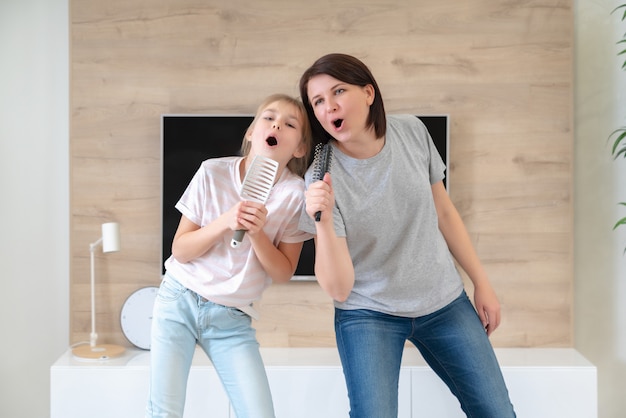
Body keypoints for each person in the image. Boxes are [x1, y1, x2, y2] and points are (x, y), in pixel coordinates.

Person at [298, 53, 516, 418]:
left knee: (496, 412)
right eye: (318, 101)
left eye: (338, 91)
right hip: (368, 312)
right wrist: (321, 220)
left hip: (443, 301)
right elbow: (338, 289)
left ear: (369, 93)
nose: (328, 106)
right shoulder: (321, 177)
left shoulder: (412, 131)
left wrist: (482, 283)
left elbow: (444, 211)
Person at [146, 93, 313, 418]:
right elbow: (180, 250)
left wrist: (257, 233)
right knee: (164, 412)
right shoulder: (212, 172)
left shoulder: (295, 196)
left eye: (290, 123)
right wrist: (226, 221)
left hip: (231, 319)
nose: (277, 123)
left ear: (299, 149)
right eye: (268, 117)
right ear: (251, 132)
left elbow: (282, 272)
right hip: (179, 300)